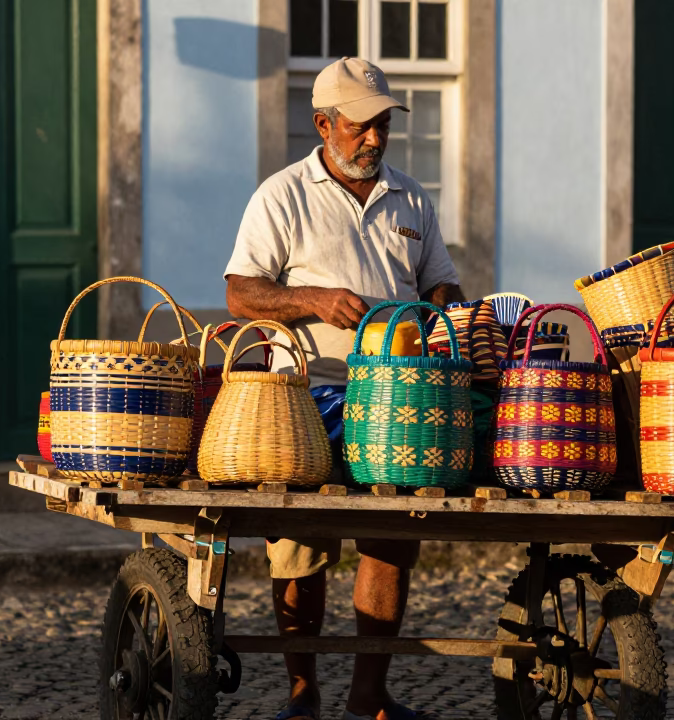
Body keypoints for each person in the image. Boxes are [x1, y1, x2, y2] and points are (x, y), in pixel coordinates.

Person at [223, 57, 464, 720]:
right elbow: (241, 291)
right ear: (323, 124)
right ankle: (303, 696)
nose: (375, 140)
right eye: (360, 126)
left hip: (397, 398)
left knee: (390, 532)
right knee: (300, 543)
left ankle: (368, 697)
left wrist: (445, 308)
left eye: (383, 125)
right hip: (304, 394)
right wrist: (310, 300)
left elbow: (442, 284)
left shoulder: (412, 200)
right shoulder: (282, 195)